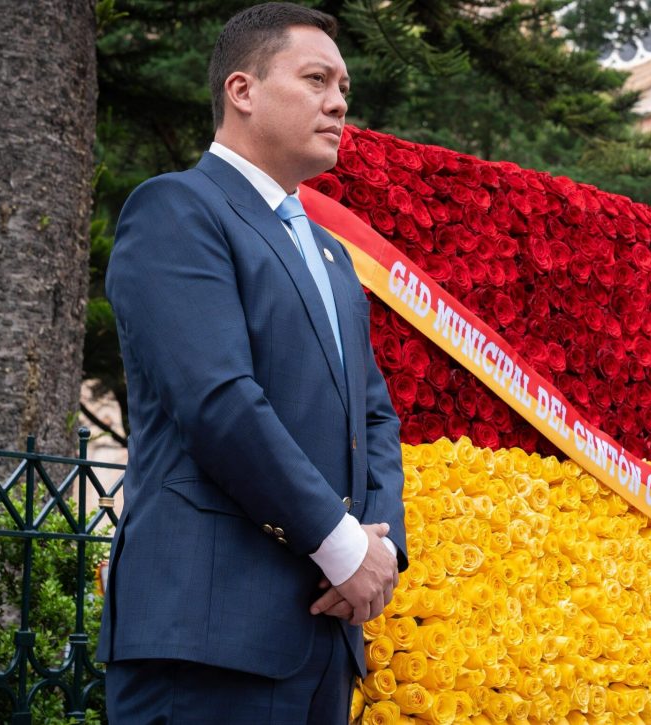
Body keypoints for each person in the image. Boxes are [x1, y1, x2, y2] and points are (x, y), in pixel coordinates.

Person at [98, 4, 408, 722]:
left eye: (345, 88)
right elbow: (218, 402)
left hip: (321, 640)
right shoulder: (177, 209)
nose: (338, 102)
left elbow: (374, 414)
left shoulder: (331, 255)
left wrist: (380, 550)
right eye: (316, 79)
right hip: (208, 641)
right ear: (242, 89)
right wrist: (340, 548)